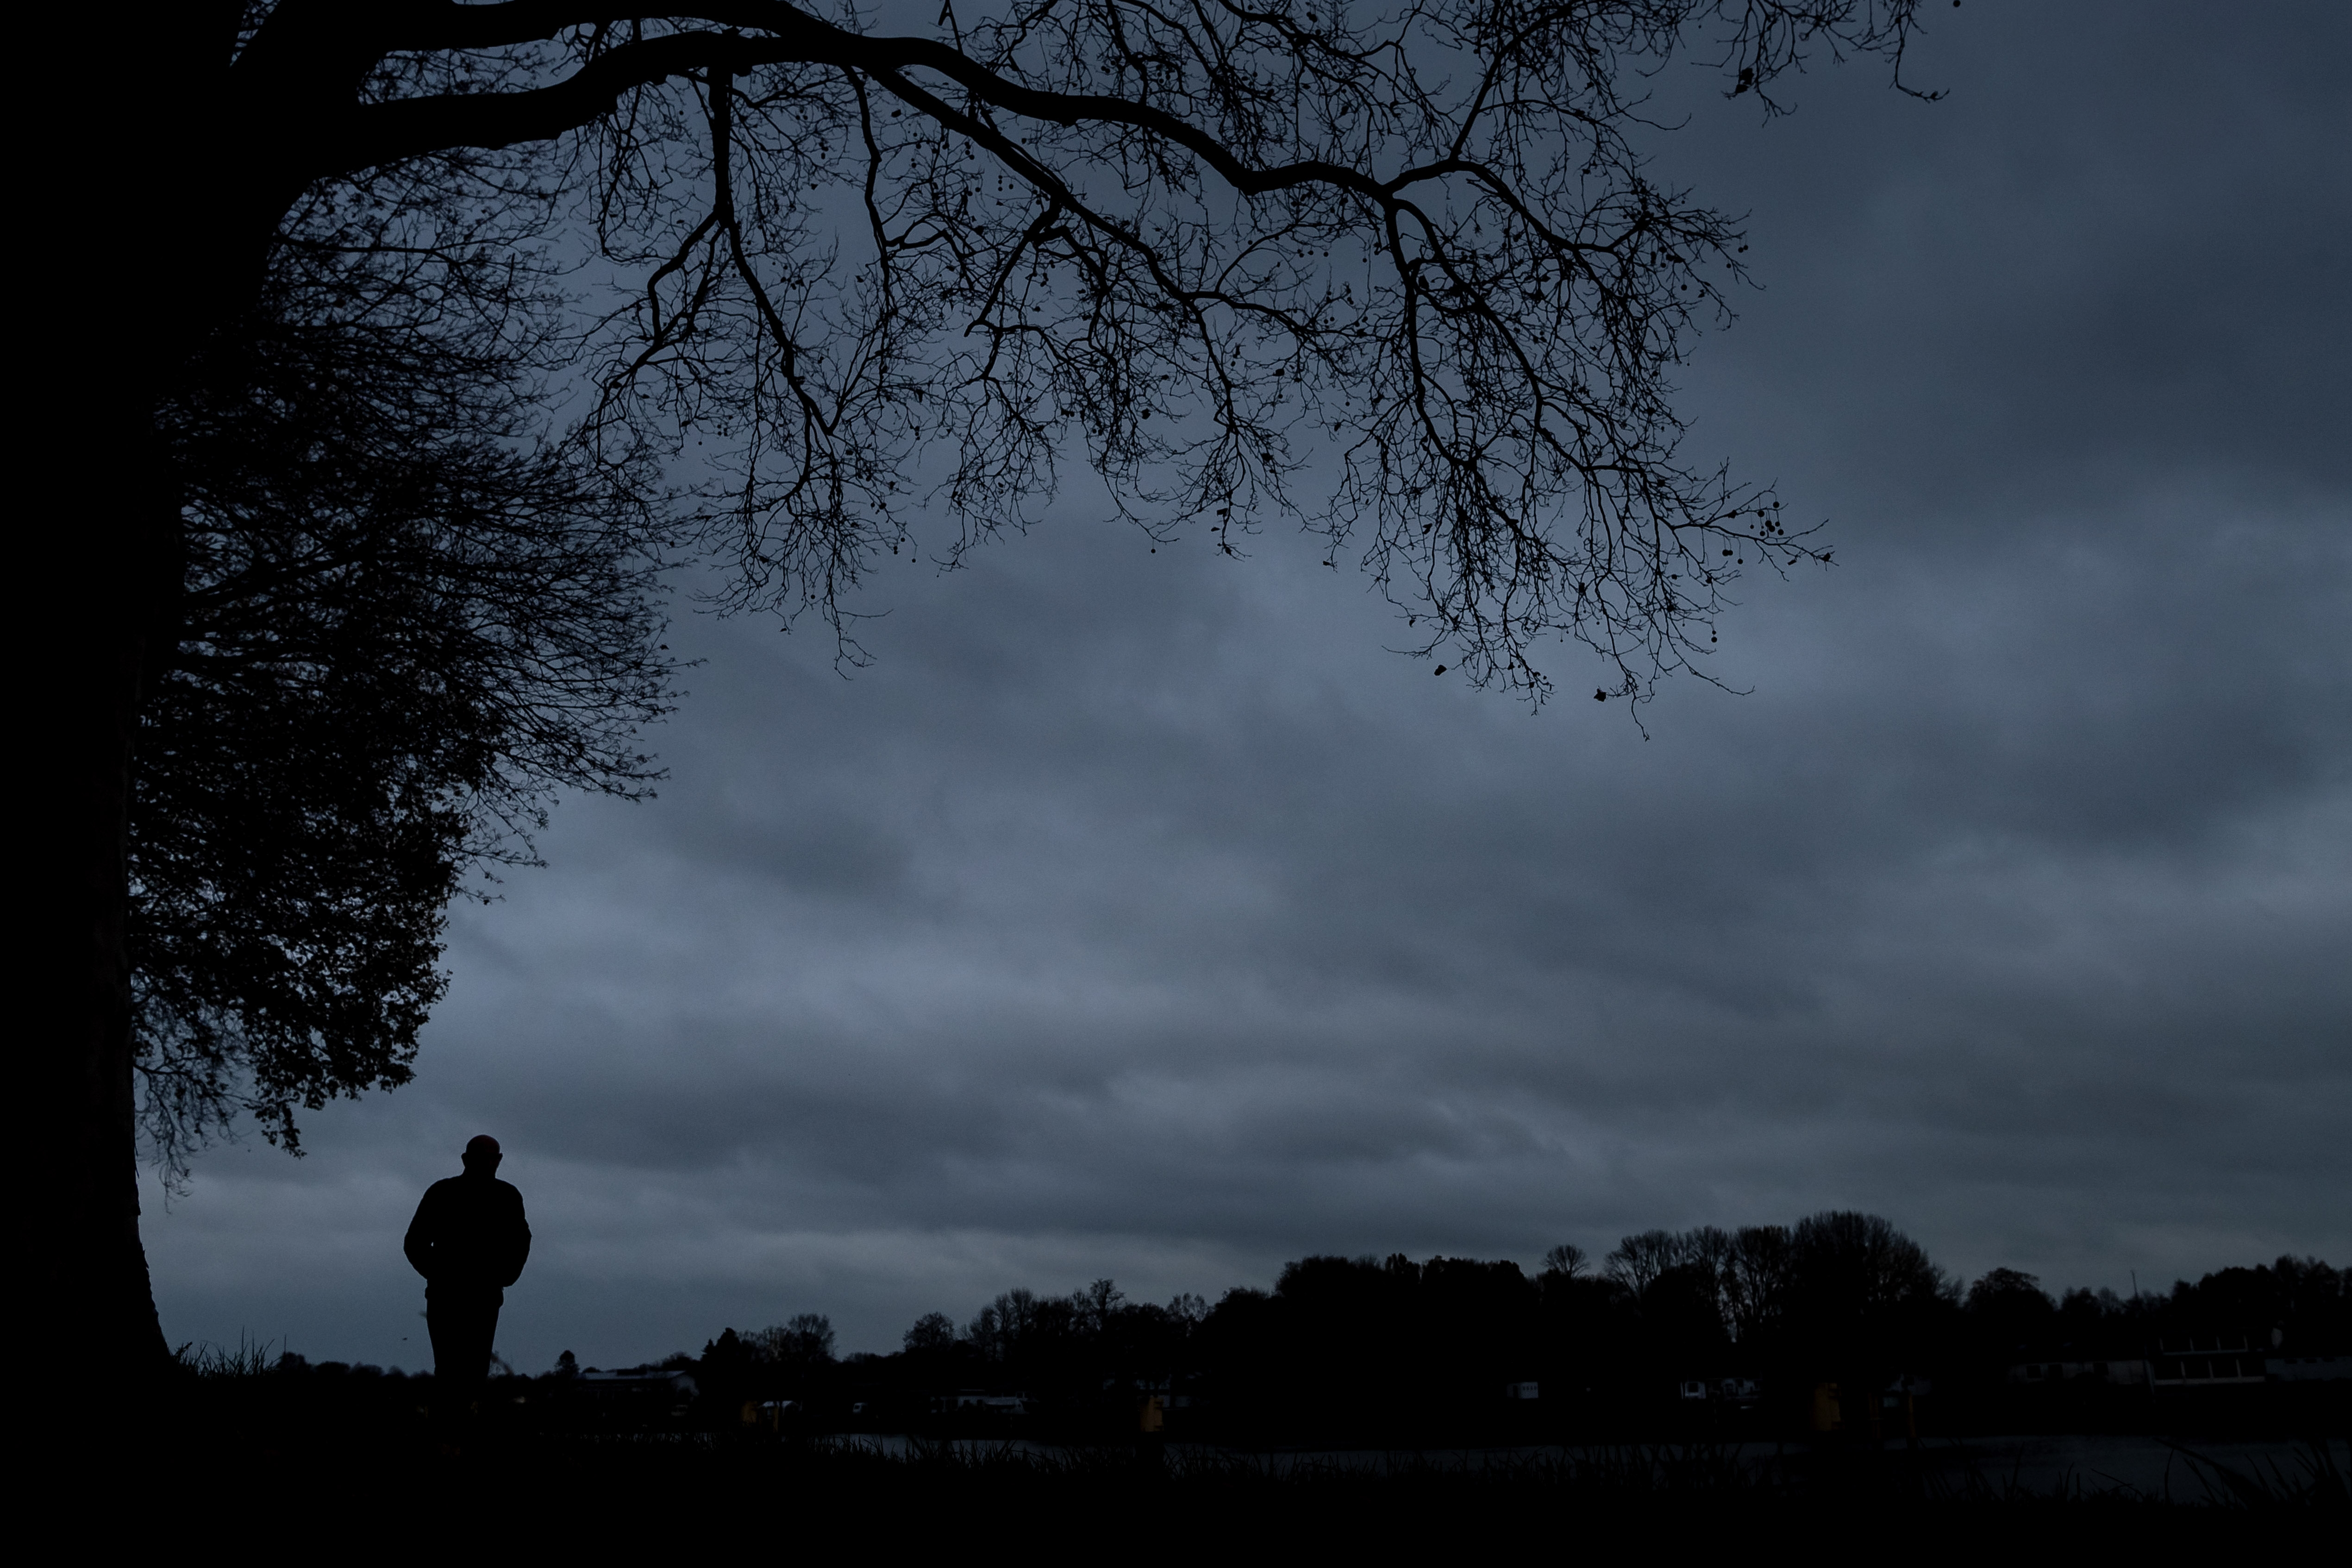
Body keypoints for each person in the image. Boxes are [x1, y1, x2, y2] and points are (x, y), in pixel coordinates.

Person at [404, 1135, 531, 1439]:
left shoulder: (507, 1196)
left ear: (499, 1160)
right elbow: (415, 1242)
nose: (487, 1164)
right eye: (480, 1158)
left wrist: (504, 1276)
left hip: (483, 1297)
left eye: (491, 1158)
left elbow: (521, 1240)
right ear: (465, 1160)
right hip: (447, 1296)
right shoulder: (442, 1192)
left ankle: (463, 1437)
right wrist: (440, 1276)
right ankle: (448, 1437)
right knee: (449, 1370)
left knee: (474, 1371)